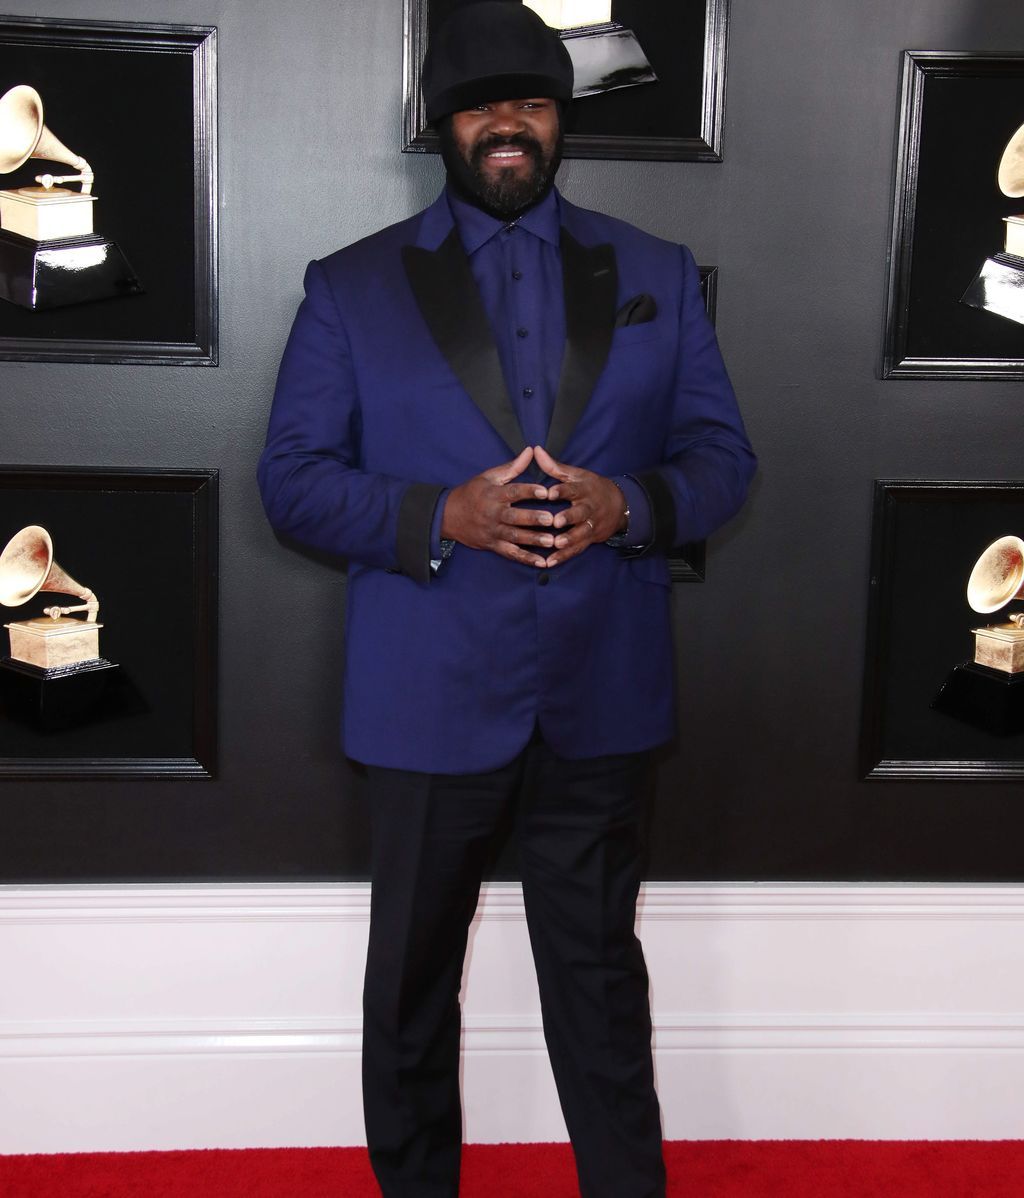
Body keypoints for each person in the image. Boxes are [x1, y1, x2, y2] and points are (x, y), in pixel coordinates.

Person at [258, 3, 755, 1194]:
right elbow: (293, 482)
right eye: (481, 107)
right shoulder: (351, 286)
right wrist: (441, 515)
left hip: (602, 696)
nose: (507, 128)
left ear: (559, 121)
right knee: (414, 988)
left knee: (598, 984)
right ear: (442, 125)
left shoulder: (655, 273)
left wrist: (627, 505)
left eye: (530, 104)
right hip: (428, 700)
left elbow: (722, 461)